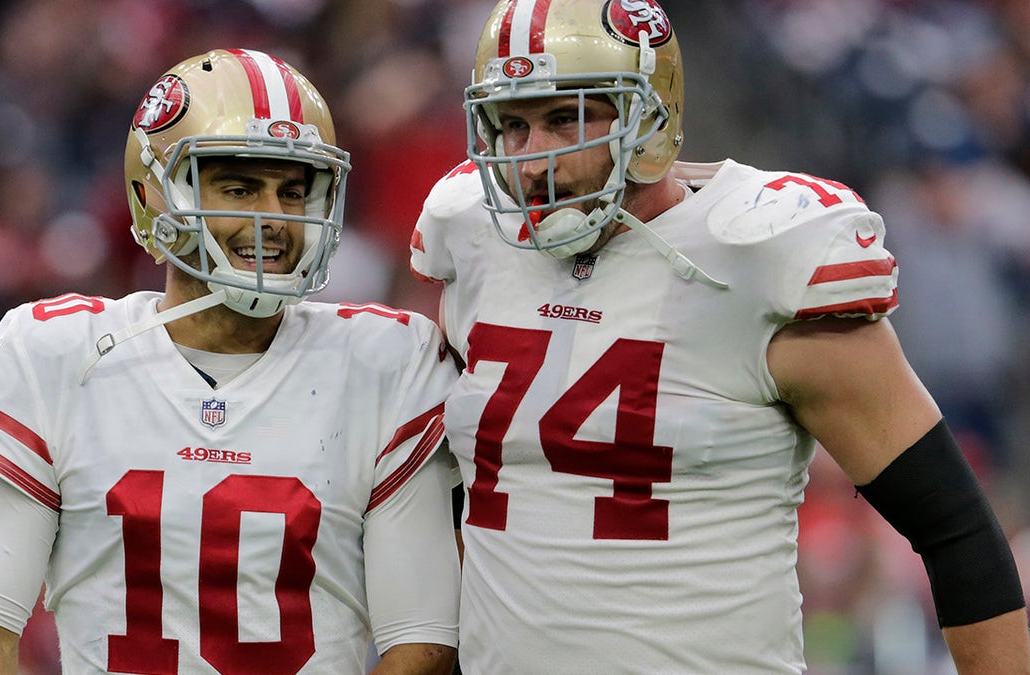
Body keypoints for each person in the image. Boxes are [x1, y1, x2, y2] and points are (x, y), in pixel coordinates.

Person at [409, 1, 1030, 673]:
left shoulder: (759, 256)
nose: (532, 161)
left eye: (565, 119)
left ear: (650, 114)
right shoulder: (472, 237)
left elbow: (954, 527)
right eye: (512, 124)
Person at [0, 48, 461, 675]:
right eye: (238, 188)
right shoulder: (55, 353)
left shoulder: (387, 361)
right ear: (154, 195)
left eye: (293, 191)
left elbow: (424, 644)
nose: (273, 219)